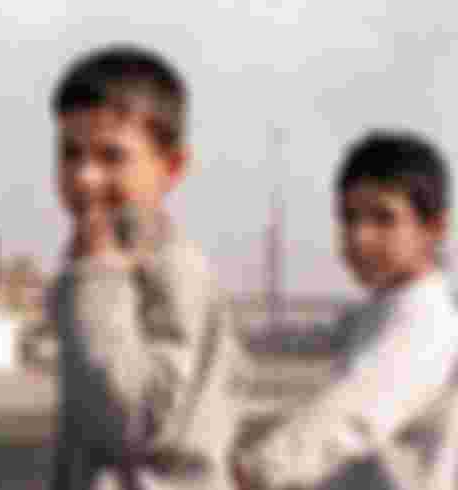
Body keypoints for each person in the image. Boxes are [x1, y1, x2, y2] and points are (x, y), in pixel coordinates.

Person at [46, 45, 240, 490]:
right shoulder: (104, 257)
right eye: (70, 153)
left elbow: (133, 418)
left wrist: (97, 277)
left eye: (111, 157)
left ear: (172, 167)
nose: (84, 177)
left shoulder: (172, 270)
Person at [233, 131, 458, 490]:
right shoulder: (384, 310)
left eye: (384, 219)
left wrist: (248, 473)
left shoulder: (425, 324)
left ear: (435, 228)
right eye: (349, 218)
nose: (360, 236)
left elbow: (350, 418)